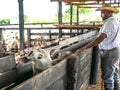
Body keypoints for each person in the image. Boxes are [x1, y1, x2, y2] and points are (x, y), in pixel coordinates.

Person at [77, 4, 120, 90]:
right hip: (114, 49)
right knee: (113, 71)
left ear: (110, 12)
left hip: (109, 50)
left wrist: (86, 47)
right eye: (101, 12)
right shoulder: (115, 21)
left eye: (103, 12)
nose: (101, 14)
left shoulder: (109, 22)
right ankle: (116, 87)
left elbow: (101, 37)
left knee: (107, 75)